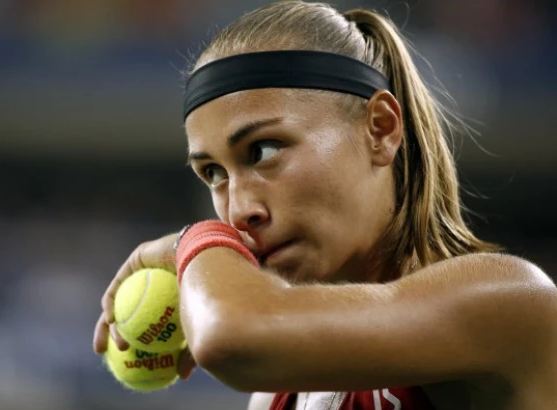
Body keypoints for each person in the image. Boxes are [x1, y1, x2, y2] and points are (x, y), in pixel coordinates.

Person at [93, 1, 557, 409]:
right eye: (213, 173)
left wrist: (192, 242)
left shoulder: (508, 301)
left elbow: (232, 337)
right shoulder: (276, 394)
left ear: (380, 129)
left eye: (263, 150)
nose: (238, 212)